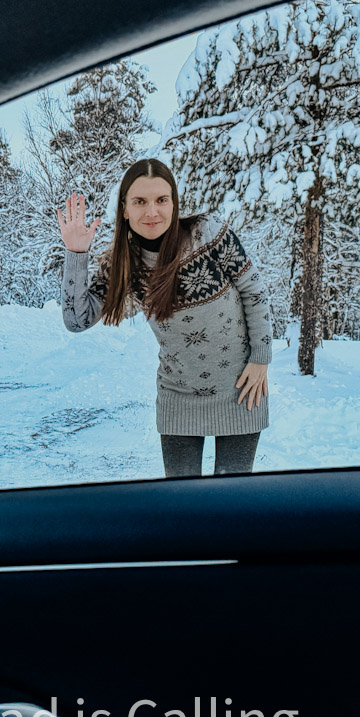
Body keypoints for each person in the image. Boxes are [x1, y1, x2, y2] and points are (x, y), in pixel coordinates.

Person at [57, 158, 272, 478]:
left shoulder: (207, 234)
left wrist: (261, 359)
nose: (152, 212)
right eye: (140, 202)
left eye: (161, 200)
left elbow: (253, 291)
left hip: (241, 390)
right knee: (184, 508)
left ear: (174, 203)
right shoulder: (123, 264)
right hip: (179, 398)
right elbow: (77, 320)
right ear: (125, 209)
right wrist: (76, 254)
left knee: (232, 505)